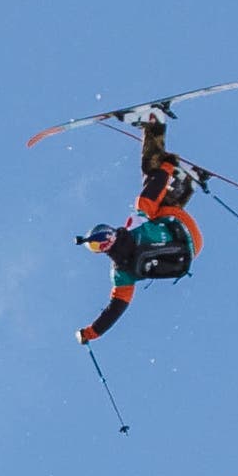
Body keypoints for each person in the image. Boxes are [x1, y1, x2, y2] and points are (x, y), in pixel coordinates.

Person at [75, 107, 203, 342]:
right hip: (182, 228)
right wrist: (167, 167)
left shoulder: (122, 272)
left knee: (156, 208)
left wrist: (90, 333)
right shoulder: (134, 226)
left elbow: (115, 309)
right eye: (102, 241)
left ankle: (189, 180)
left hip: (193, 249)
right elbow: (152, 192)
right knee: (150, 184)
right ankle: (155, 123)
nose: (107, 239)